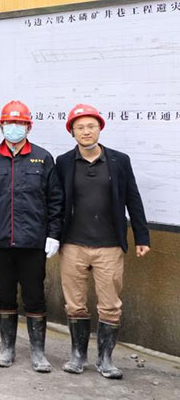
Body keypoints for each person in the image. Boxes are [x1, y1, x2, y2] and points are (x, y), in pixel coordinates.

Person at [56, 103, 150, 380]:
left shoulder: (119, 160)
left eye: (91, 126)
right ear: (72, 132)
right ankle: (78, 356)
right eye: (80, 127)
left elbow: (133, 197)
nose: (86, 131)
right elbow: (56, 202)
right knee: (75, 304)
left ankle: (105, 359)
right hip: (73, 244)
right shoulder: (63, 162)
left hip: (109, 245)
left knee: (110, 305)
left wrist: (142, 236)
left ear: (100, 128)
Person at [0, 100, 62, 373]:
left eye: (20, 123)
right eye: (10, 123)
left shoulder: (43, 158)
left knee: (34, 296)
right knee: (4, 295)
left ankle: (38, 352)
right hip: (0, 241)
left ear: (29, 127)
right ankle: (7, 348)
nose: (15, 127)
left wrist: (53, 235)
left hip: (33, 242)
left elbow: (55, 201)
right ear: (1, 126)